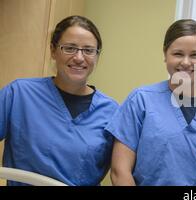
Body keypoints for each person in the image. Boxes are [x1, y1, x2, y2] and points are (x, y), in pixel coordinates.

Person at [107, 19, 196, 186]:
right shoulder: (140, 101)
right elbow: (119, 171)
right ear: (165, 54)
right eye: (178, 54)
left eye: (195, 55)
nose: (186, 62)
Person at [0, 15, 118, 186]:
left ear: (97, 56)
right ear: (53, 50)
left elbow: (123, 170)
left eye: (88, 50)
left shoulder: (111, 111)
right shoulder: (19, 94)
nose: (79, 57)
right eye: (69, 48)